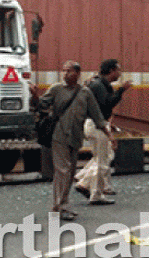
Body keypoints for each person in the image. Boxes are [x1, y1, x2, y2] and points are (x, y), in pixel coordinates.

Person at [38, 60, 111, 220]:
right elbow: (41, 104)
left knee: (70, 173)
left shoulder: (85, 93)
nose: (65, 74)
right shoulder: (56, 89)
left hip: (75, 137)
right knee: (63, 170)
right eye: (63, 70)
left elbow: (97, 116)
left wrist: (108, 134)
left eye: (69, 71)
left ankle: (61, 203)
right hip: (59, 135)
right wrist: (32, 95)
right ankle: (60, 207)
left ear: (77, 74)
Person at [75, 58, 132, 204]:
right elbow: (106, 104)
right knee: (102, 161)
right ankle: (88, 186)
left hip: (97, 124)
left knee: (103, 157)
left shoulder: (100, 84)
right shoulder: (99, 85)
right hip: (96, 125)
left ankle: (89, 186)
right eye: (118, 69)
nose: (120, 73)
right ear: (111, 71)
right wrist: (121, 91)